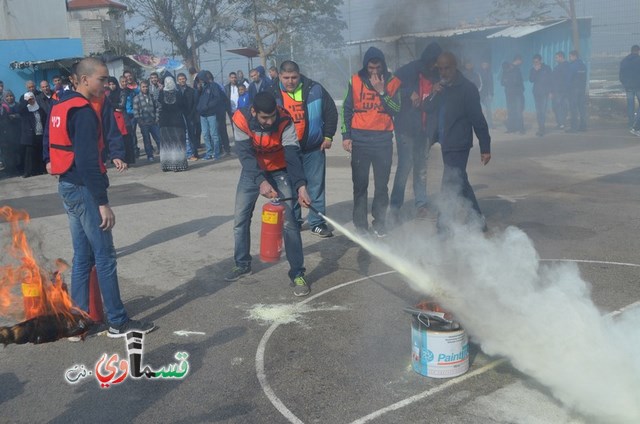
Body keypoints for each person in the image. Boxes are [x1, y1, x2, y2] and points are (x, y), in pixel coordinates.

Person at [46, 57, 154, 337]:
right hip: (82, 188)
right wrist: (102, 202)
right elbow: (87, 161)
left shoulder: (60, 103)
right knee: (105, 256)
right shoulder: (81, 110)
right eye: (101, 79)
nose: (106, 84)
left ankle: (78, 321)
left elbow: (53, 140)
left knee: (83, 256)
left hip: (67, 184)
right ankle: (118, 322)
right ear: (83, 79)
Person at [225, 91, 312, 297]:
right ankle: (242, 264)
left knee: (290, 222)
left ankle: (297, 273)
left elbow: (292, 156)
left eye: (272, 115)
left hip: (280, 170)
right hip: (252, 172)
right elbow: (245, 155)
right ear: (254, 112)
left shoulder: (285, 120)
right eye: (264, 117)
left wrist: (300, 186)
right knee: (240, 219)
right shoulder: (240, 119)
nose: (269, 121)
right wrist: (260, 181)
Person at [423, 52, 491, 232]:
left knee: (450, 182)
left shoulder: (467, 89)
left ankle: (443, 226)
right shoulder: (440, 89)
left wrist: (485, 146)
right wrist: (434, 93)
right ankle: (478, 220)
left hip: (459, 143)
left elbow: (478, 119)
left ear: (455, 67)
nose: (444, 72)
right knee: (461, 181)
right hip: (445, 142)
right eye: (441, 69)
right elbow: (427, 108)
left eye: (447, 68)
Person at [272, 60, 338, 237]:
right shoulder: (272, 94)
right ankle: (294, 221)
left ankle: (317, 222)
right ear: (279, 76)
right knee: (290, 187)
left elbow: (331, 111)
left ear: (299, 75)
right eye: (286, 78)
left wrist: (328, 136)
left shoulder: (314, 89)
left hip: (313, 148)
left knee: (315, 187)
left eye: (294, 77)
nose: (290, 81)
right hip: (286, 151)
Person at [342, 46, 401, 237]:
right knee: (360, 185)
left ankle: (380, 223)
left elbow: (396, 110)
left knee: (382, 185)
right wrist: (346, 136)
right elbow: (346, 109)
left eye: (378, 67)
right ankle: (360, 225)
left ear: (383, 66)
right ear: (365, 66)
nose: (375, 72)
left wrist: (382, 91)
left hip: (383, 141)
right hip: (360, 140)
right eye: (371, 68)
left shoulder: (393, 83)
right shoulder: (355, 80)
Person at [390, 42, 442, 225]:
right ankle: (395, 207)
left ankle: (421, 205)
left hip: (425, 129)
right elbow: (390, 88)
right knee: (405, 166)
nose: (436, 66)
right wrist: (407, 93)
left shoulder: (437, 76)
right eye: (435, 62)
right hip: (405, 128)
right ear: (429, 60)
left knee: (421, 168)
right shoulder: (408, 71)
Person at [157, 76, 188, 172]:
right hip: (177, 123)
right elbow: (184, 106)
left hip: (165, 123)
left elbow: (159, 105)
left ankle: (167, 165)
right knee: (177, 144)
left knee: (167, 144)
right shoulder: (178, 93)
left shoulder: (161, 94)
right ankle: (178, 165)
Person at [195, 70, 226, 160]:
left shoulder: (213, 86)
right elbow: (196, 100)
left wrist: (208, 106)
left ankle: (216, 153)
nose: (200, 81)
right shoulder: (200, 87)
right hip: (202, 115)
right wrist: (198, 90)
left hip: (211, 113)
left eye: (200, 79)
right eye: (198, 79)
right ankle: (209, 153)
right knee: (205, 134)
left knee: (214, 134)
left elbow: (217, 99)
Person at [19, 92, 47, 178]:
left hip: (40, 134)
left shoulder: (40, 109)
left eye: (32, 99)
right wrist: (26, 100)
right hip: (30, 136)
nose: (31, 101)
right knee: (29, 155)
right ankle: (28, 171)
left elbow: (44, 120)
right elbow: (21, 109)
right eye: (29, 99)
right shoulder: (25, 110)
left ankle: (40, 169)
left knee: (39, 153)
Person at [133, 80, 161, 162]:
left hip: (153, 122)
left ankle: (163, 153)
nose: (145, 88)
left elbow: (157, 107)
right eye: (143, 87)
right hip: (144, 123)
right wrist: (140, 122)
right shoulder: (136, 98)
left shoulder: (152, 96)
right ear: (140, 88)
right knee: (147, 140)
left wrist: (157, 118)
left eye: (146, 87)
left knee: (159, 138)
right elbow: (135, 112)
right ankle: (150, 155)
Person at [177, 72, 199, 160]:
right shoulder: (176, 91)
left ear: (186, 79)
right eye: (180, 79)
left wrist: (191, 115)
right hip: (180, 117)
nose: (182, 81)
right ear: (177, 81)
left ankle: (194, 153)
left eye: (183, 79)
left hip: (190, 116)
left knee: (191, 135)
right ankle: (185, 154)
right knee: (182, 136)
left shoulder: (191, 90)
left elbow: (195, 104)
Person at [529, 54, 553, 136]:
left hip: (545, 93)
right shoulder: (533, 69)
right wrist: (535, 71)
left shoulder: (547, 68)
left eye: (537, 61)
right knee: (538, 112)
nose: (535, 63)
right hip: (536, 93)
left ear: (540, 60)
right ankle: (541, 127)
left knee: (542, 111)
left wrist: (551, 92)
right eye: (534, 62)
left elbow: (551, 80)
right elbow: (531, 80)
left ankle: (542, 129)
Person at [501, 55, 525, 134]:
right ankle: (511, 128)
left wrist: (521, 90)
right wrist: (507, 82)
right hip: (509, 94)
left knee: (518, 111)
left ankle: (521, 129)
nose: (509, 68)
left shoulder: (517, 70)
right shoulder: (505, 71)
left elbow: (520, 82)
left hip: (517, 94)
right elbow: (502, 82)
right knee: (511, 111)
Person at [619, 45, 640, 129]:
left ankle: (631, 123)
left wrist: (625, 84)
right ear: (638, 51)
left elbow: (621, 75)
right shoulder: (639, 60)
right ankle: (637, 122)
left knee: (630, 105)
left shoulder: (624, 61)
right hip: (638, 86)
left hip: (628, 87)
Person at [566, 50, 587, 132]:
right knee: (582, 108)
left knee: (573, 108)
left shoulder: (572, 66)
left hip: (573, 89)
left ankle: (574, 127)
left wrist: (567, 88)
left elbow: (569, 79)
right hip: (582, 89)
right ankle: (583, 126)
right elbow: (585, 78)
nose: (570, 58)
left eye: (570, 56)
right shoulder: (583, 66)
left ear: (574, 56)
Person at [551, 52, 570, 130]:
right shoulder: (565, 66)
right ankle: (561, 123)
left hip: (559, 90)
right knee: (561, 107)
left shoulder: (561, 67)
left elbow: (555, 79)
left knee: (558, 107)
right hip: (562, 90)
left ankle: (561, 123)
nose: (555, 59)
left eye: (556, 57)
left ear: (561, 57)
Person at [478, 60, 494, 129]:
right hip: (479, 94)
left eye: (486, 64)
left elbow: (491, 84)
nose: (485, 65)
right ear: (481, 65)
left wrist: (491, 93)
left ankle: (490, 125)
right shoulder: (478, 73)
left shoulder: (489, 73)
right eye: (484, 64)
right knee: (478, 110)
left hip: (487, 94)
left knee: (488, 110)